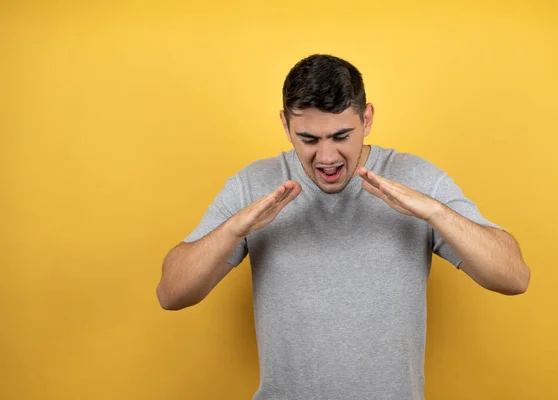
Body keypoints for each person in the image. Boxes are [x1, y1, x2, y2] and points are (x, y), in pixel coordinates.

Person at [156, 54, 530, 400]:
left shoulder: (415, 177)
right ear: (285, 124)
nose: (328, 157)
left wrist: (434, 211)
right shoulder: (252, 184)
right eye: (309, 139)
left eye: (341, 136)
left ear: (366, 119)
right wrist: (235, 229)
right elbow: (172, 294)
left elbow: (513, 278)